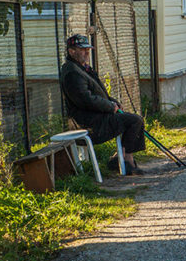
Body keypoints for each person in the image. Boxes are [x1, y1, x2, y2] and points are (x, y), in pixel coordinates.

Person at [59, 33, 145, 175]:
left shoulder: (82, 68)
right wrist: (110, 107)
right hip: (89, 122)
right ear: (71, 51)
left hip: (98, 116)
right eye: (82, 49)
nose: (86, 52)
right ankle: (126, 160)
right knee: (134, 121)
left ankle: (121, 158)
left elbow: (98, 93)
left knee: (135, 120)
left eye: (87, 49)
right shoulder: (72, 73)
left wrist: (112, 101)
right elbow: (86, 100)